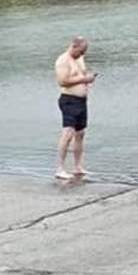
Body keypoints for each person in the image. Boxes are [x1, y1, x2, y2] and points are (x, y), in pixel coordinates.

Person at [54, 36, 96, 180]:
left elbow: (81, 74)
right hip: (69, 101)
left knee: (80, 134)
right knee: (68, 133)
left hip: (81, 101)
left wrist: (88, 80)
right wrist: (84, 80)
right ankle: (60, 168)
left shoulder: (79, 59)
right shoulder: (63, 60)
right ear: (74, 46)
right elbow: (62, 81)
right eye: (81, 51)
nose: (83, 54)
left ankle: (77, 167)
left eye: (84, 52)